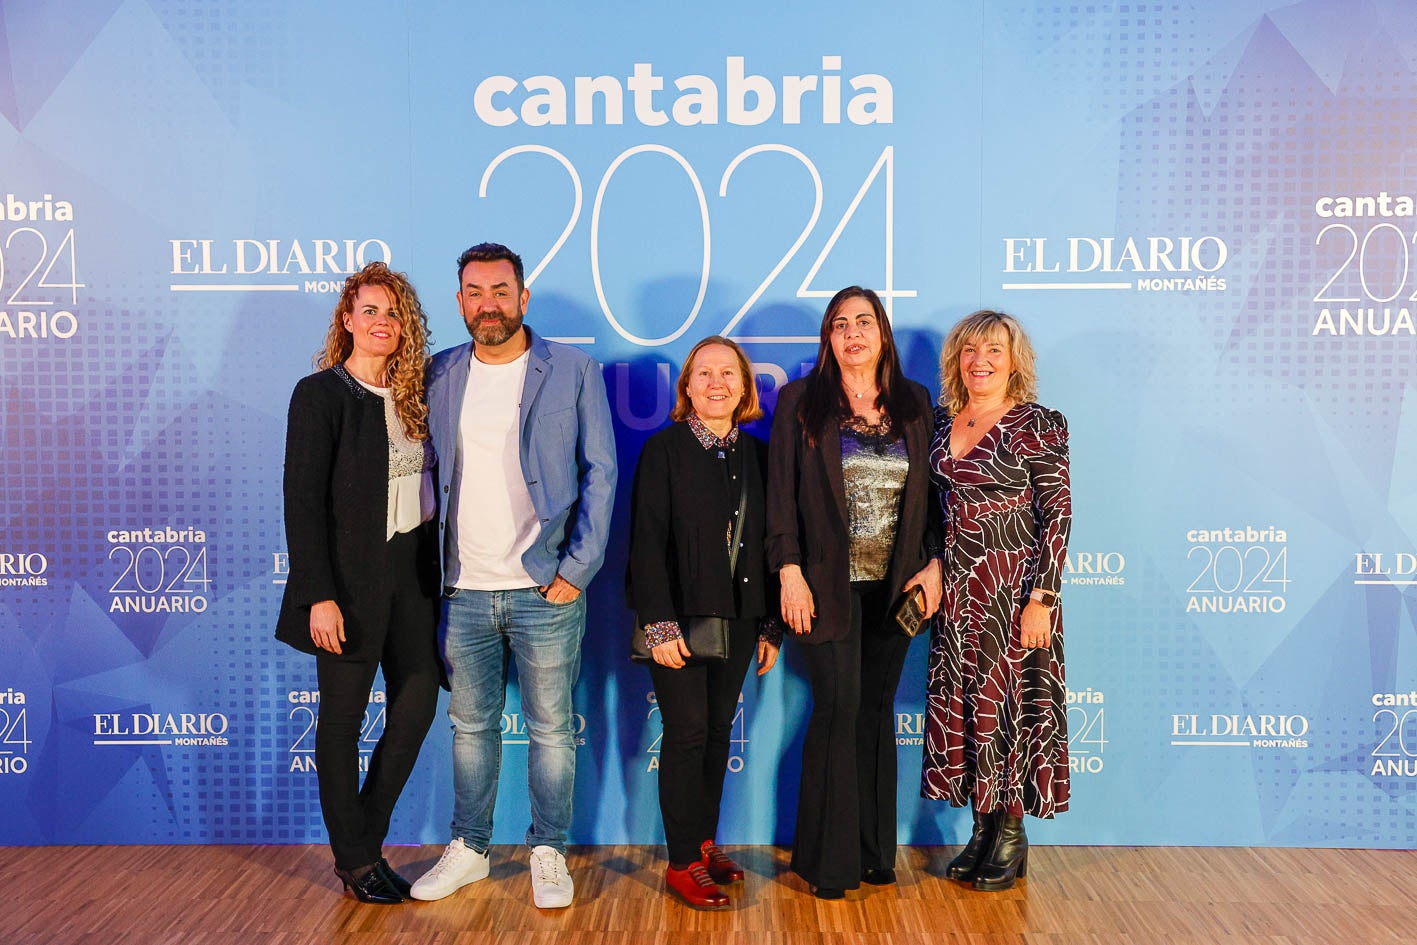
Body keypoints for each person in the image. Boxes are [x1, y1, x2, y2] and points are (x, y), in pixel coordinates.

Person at [410, 243, 616, 909]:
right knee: (469, 725)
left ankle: (548, 851)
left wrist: (576, 569)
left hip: (543, 587)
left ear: (523, 298)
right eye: (474, 292)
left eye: (500, 290)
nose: (487, 303)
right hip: (463, 588)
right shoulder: (439, 373)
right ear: (461, 301)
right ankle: (469, 848)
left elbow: (601, 474)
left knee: (551, 726)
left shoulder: (572, 370)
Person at [766, 286, 941, 900]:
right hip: (822, 590)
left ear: (882, 334)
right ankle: (826, 862)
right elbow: (780, 499)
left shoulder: (915, 402)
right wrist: (788, 569)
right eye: (840, 324)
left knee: (875, 713)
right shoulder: (800, 403)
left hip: (894, 595)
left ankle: (873, 853)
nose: (853, 334)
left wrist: (937, 564)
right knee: (837, 711)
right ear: (828, 338)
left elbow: (936, 498)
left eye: (864, 322)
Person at [275, 261, 441, 904]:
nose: (382, 322)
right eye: (369, 310)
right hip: (345, 581)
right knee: (342, 721)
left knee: (420, 697)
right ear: (347, 320)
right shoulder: (320, 395)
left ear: (407, 327)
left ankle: (363, 838)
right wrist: (317, 592)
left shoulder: (416, 395)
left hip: (412, 572)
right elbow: (302, 501)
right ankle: (354, 858)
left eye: (394, 313)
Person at [626, 336, 783, 910]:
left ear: (744, 386)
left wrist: (770, 626)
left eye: (728, 373)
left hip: (741, 618)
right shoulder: (664, 450)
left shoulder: (759, 456)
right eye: (704, 373)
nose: (716, 383)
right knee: (688, 732)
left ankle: (704, 842)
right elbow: (645, 544)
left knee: (718, 731)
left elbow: (768, 547)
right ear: (687, 387)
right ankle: (682, 861)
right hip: (680, 619)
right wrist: (659, 624)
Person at [922, 309, 1071, 892]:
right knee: (967, 708)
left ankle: (1012, 832)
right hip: (958, 592)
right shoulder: (942, 421)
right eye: (970, 351)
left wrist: (1045, 597)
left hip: (1014, 590)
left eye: (994, 351)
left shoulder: (1038, 423)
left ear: (1015, 361)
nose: (980, 361)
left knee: (1010, 710)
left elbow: (1057, 514)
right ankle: (982, 830)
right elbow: (932, 511)